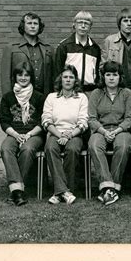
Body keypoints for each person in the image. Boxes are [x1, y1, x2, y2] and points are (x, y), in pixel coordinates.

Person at [0, 61, 45, 206]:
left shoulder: (39, 97)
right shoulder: (8, 97)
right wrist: (15, 134)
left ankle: (15, 190)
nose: (23, 78)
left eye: (27, 75)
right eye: (20, 74)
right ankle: (18, 192)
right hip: (14, 134)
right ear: (15, 76)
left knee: (28, 149)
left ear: (31, 77)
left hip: (34, 134)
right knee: (6, 148)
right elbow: (4, 120)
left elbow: (42, 121)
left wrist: (29, 134)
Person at [88, 61, 131, 206]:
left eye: (115, 74)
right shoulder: (96, 93)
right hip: (101, 129)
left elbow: (129, 118)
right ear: (103, 77)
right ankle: (109, 187)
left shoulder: (127, 93)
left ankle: (111, 187)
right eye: (108, 75)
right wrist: (104, 131)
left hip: (121, 130)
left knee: (123, 145)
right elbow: (91, 118)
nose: (112, 78)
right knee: (94, 145)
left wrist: (117, 130)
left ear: (120, 77)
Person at [42, 65, 88, 204]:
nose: (68, 80)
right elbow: (46, 120)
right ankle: (64, 191)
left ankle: (61, 192)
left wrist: (69, 135)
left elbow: (83, 121)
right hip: (55, 132)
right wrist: (59, 135)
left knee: (72, 149)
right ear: (60, 79)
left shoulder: (81, 98)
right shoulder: (51, 97)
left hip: (74, 133)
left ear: (75, 81)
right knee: (50, 148)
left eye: (71, 77)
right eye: (65, 77)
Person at [0, 12, 55, 95]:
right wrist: (9, 100)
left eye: (35, 23)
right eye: (29, 23)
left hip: (43, 97)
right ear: (23, 26)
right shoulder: (11, 48)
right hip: (19, 96)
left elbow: (53, 76)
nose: (32, 26)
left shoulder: (48, 48)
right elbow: (5, 78)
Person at [55, 11, 101, 94]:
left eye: (86, 23)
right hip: (70, 90)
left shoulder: (95, 48)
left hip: (90, 91)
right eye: (80, 23)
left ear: (90, 27)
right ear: (74, 25)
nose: (83, 26)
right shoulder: (65, 46)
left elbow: (97, 72)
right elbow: (58, 70)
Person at [101, 8, 131, 92]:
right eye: (125, 21)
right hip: (117, 87)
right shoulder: (110, 41)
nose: (129, 24)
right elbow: (102, 66)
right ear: (119, 23)